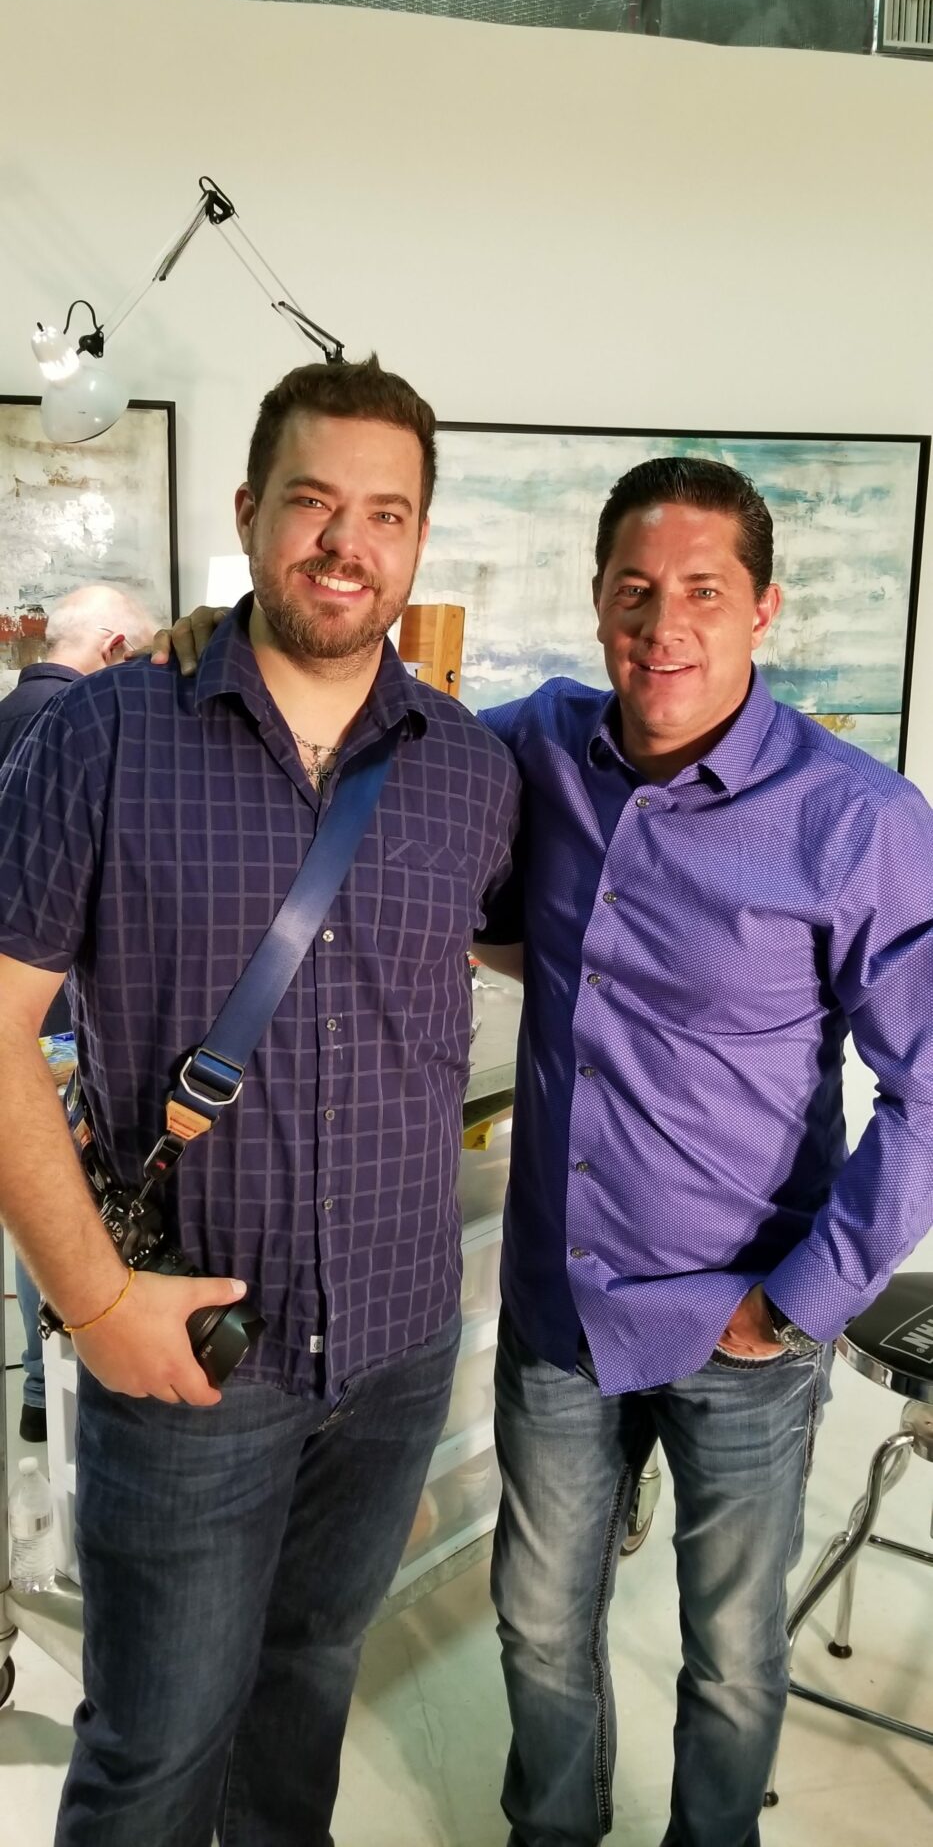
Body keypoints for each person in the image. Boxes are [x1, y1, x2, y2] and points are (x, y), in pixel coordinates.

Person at [165, 453, 933, 1847]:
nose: (663, 625)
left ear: (764, 608)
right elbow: (384, 716)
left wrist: (797, 1303)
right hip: (560, 1311)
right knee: (537, 1621)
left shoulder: (857, 821)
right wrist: (224, 647)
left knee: (732, 1649)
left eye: (703, 591)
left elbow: (929, 1088)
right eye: (634, 590)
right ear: (595, 602)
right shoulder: (536, 745)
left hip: (742, 1320)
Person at [0, 356, 518, 1847]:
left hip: (395, 1351)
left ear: (418, 539)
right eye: (313, 502)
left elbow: (510, 949)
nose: (347, 544)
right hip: (188, 1352)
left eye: (386, 513)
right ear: (249, 512)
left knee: (304, 1700)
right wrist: (96, 1303)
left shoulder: (471, 771)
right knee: (155, 1752)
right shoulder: (104, 737)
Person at [0, 582, 159, 1443]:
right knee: (65, 1192)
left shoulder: (6, 716)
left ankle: (35, 1387)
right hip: (57, 1017)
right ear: (114, 649)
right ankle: (47, 1382)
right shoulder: (86, 732)